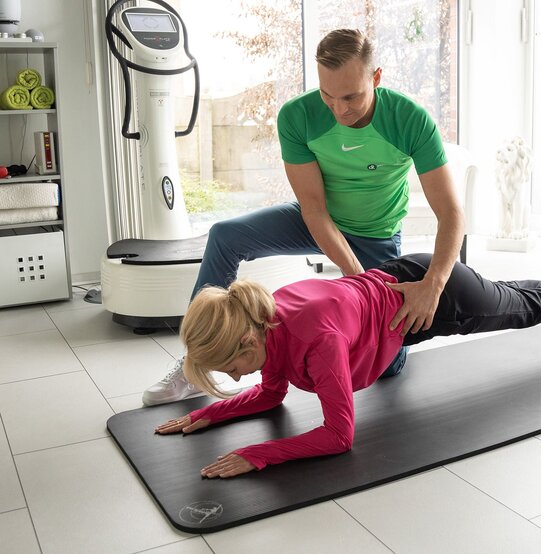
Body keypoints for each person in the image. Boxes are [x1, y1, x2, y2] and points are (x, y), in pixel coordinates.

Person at [142, 29, 464, 406]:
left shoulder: (410, 120)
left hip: (376, 234)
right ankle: (197, 361)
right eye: (328, 96)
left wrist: (434, 284)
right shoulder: (297, 116)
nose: (340, 109)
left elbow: (451, 212)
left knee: (389, 367)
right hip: (316, 219)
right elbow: (313, 208)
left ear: (375, 77)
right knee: (226, 235)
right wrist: (360, 285)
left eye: (351, 96)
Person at [155, 253, 541, 478]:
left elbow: (339, 436)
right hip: (393, 281)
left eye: (231, 366)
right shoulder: (261, 318)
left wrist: (257, 455)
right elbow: (273, 393)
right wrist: (206, 414)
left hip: (437, 299)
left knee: (521, 307)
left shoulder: (316, 339)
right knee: (512, 293)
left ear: (245, 337)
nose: (236, 377)